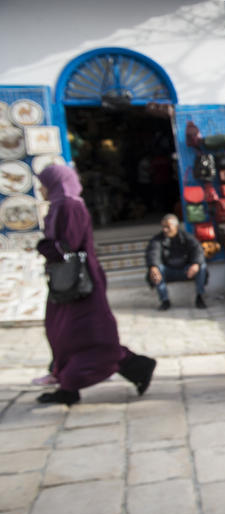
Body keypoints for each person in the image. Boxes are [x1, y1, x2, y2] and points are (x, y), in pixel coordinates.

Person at [35, 164, 157, 406]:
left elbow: (68, 244)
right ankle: (73, 381)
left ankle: (78, 383)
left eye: (44, 184)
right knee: (65, 333)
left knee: (91, 334)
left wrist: (44, 247)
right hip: (67, 282)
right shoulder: (60, 205)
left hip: (81, 283)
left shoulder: (70, 206)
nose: (41, 189)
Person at [146, 214, 207, 310]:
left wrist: (195, 264)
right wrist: (153, 266)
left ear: (176, 227)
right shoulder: (157, 239)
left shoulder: (187, 237)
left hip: (186, 270)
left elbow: (198, 250)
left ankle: (200, 297)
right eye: (163, 227)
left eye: (168, 227)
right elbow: (153, 253)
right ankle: (165, 301)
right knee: (156, 270)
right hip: (168, 271)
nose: (165, 230)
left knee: (201, 266)